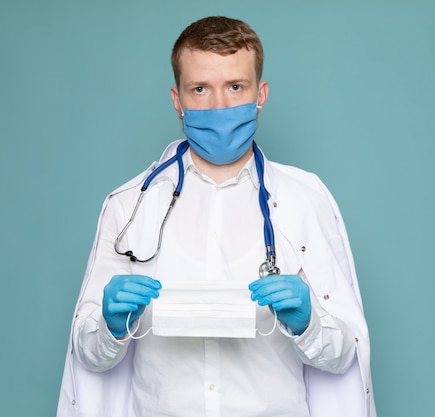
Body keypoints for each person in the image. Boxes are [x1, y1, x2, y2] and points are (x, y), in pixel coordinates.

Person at [57, 16, 376, 417]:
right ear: (178, 100)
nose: (220, 105)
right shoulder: (129, 206)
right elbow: (91, 357)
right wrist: (110, 327)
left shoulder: (305, 201)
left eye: (235, 87)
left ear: (261, 94)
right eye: (201, 89)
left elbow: (344, 357)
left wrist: (309, 322)